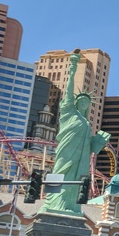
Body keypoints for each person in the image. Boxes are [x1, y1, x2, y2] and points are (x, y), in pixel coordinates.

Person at [40, 49, 109, 215]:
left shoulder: (86, 123)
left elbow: (90, 146)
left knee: (76, 181)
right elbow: (69, 93)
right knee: (59, 174)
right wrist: (72, 69)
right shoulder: (70, 112)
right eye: (81, 100)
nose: (84, 102)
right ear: (76, 103)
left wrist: (98, 142)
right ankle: (51, 203)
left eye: (87, 101)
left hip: (81, 158)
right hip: (66, 152)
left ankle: (72, 207)